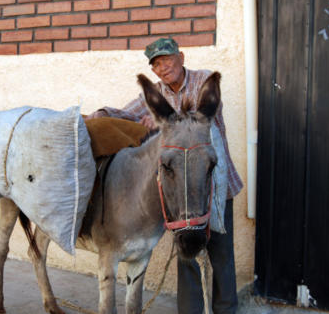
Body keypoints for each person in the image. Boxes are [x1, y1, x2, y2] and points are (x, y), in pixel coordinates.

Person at [86, 38, 243, 314]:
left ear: (181, 57)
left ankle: (226, 311)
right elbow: (126, 113)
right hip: (181, 193)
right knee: (187, 259)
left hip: (214, 187)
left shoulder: (202, 81)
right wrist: (100, 116)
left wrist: (162, 122)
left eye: (167, 60)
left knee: (221, 258)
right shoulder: (156, 94)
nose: (162, 67)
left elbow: (196, 120)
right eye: (156, 64)